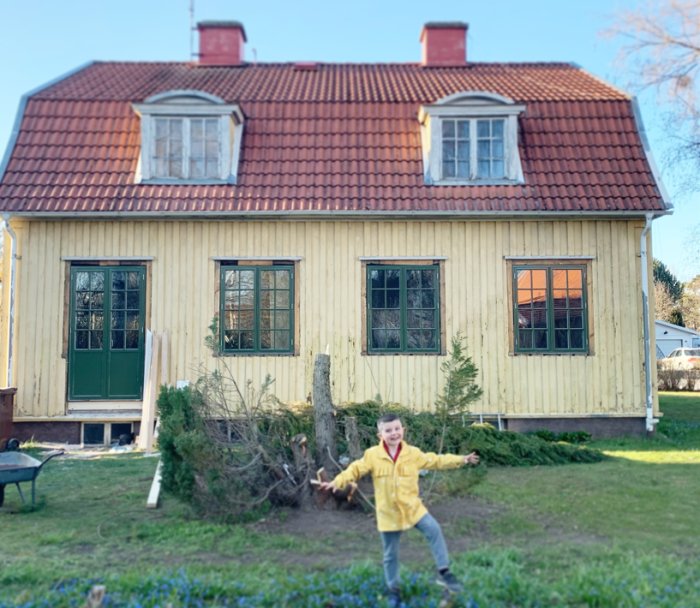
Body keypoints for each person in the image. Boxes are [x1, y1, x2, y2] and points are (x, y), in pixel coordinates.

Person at [319, 413, 480, 606]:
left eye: (397, 429)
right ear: (380, 435)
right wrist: (337, 482)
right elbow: (355, 469)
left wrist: (462, 459)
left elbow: (436, 460)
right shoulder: (373, 455)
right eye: (388, 430)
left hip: (413, 508)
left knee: (434, 530)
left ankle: (444, 572)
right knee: (390, 554)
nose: (394, 433)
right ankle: (393, 589)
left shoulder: (412, 453)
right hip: (388, 513)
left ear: (403, 430)